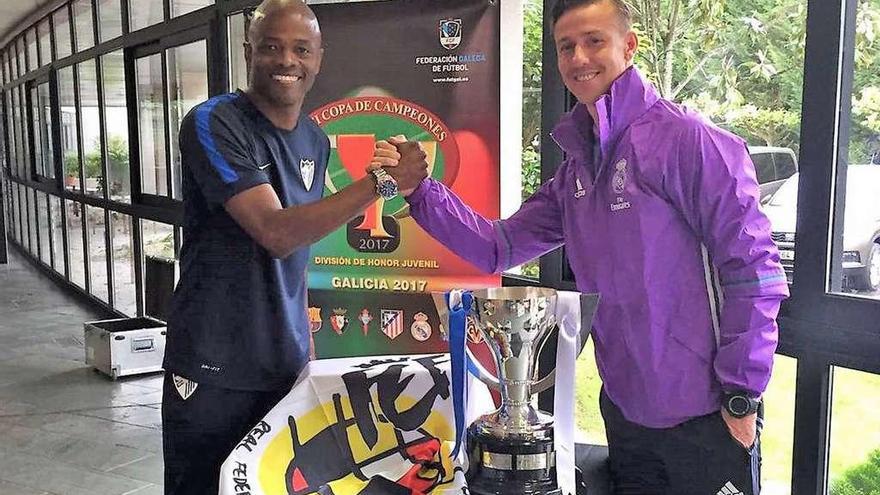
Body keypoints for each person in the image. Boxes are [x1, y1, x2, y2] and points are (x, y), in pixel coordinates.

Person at [380, 0, 789, 493]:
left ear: (629, 46)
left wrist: (742, 395)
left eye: (594, 41)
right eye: (565, 47)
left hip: (706, 415)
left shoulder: (691, 141)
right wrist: (420, 191)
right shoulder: (577, 169)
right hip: (624, 413)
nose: (578, 58)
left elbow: (754, 270)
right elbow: (499, 246)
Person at [160, 1, 422, 493]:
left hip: (284, 366)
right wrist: (383, 184)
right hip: (213, 367)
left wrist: (307, 349)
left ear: (319, 58)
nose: (287, 61)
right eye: (272, 48)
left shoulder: (315, 140)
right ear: (248, 52)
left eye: (301, 49)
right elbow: (276, 233)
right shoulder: (213, 123)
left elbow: (300, 246)